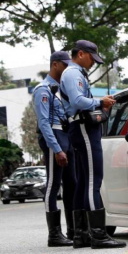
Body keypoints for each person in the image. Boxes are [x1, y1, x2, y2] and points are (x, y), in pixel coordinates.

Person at [60, 40, 126, 249]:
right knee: (93, 180)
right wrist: (100, 102)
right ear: (81, 54)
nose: (92, 63)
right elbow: (78, 101)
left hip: (81, 128)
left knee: (83, 182)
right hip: (83, 127)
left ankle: (81, 235)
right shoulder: (72, 73)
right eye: (91, 58)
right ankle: (98, 235)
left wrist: (99, 101)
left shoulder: (75, 73)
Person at [33, 51, 77, 247]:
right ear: (55, 65)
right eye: (65, 64)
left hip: (67, 137)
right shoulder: (43, 89)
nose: (68, 68)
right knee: (53, 185)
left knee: (72, 184)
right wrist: (57, 149)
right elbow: (44, 123)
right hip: (55, 139)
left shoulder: (62, 89)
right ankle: (54, 234)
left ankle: (74, 230)